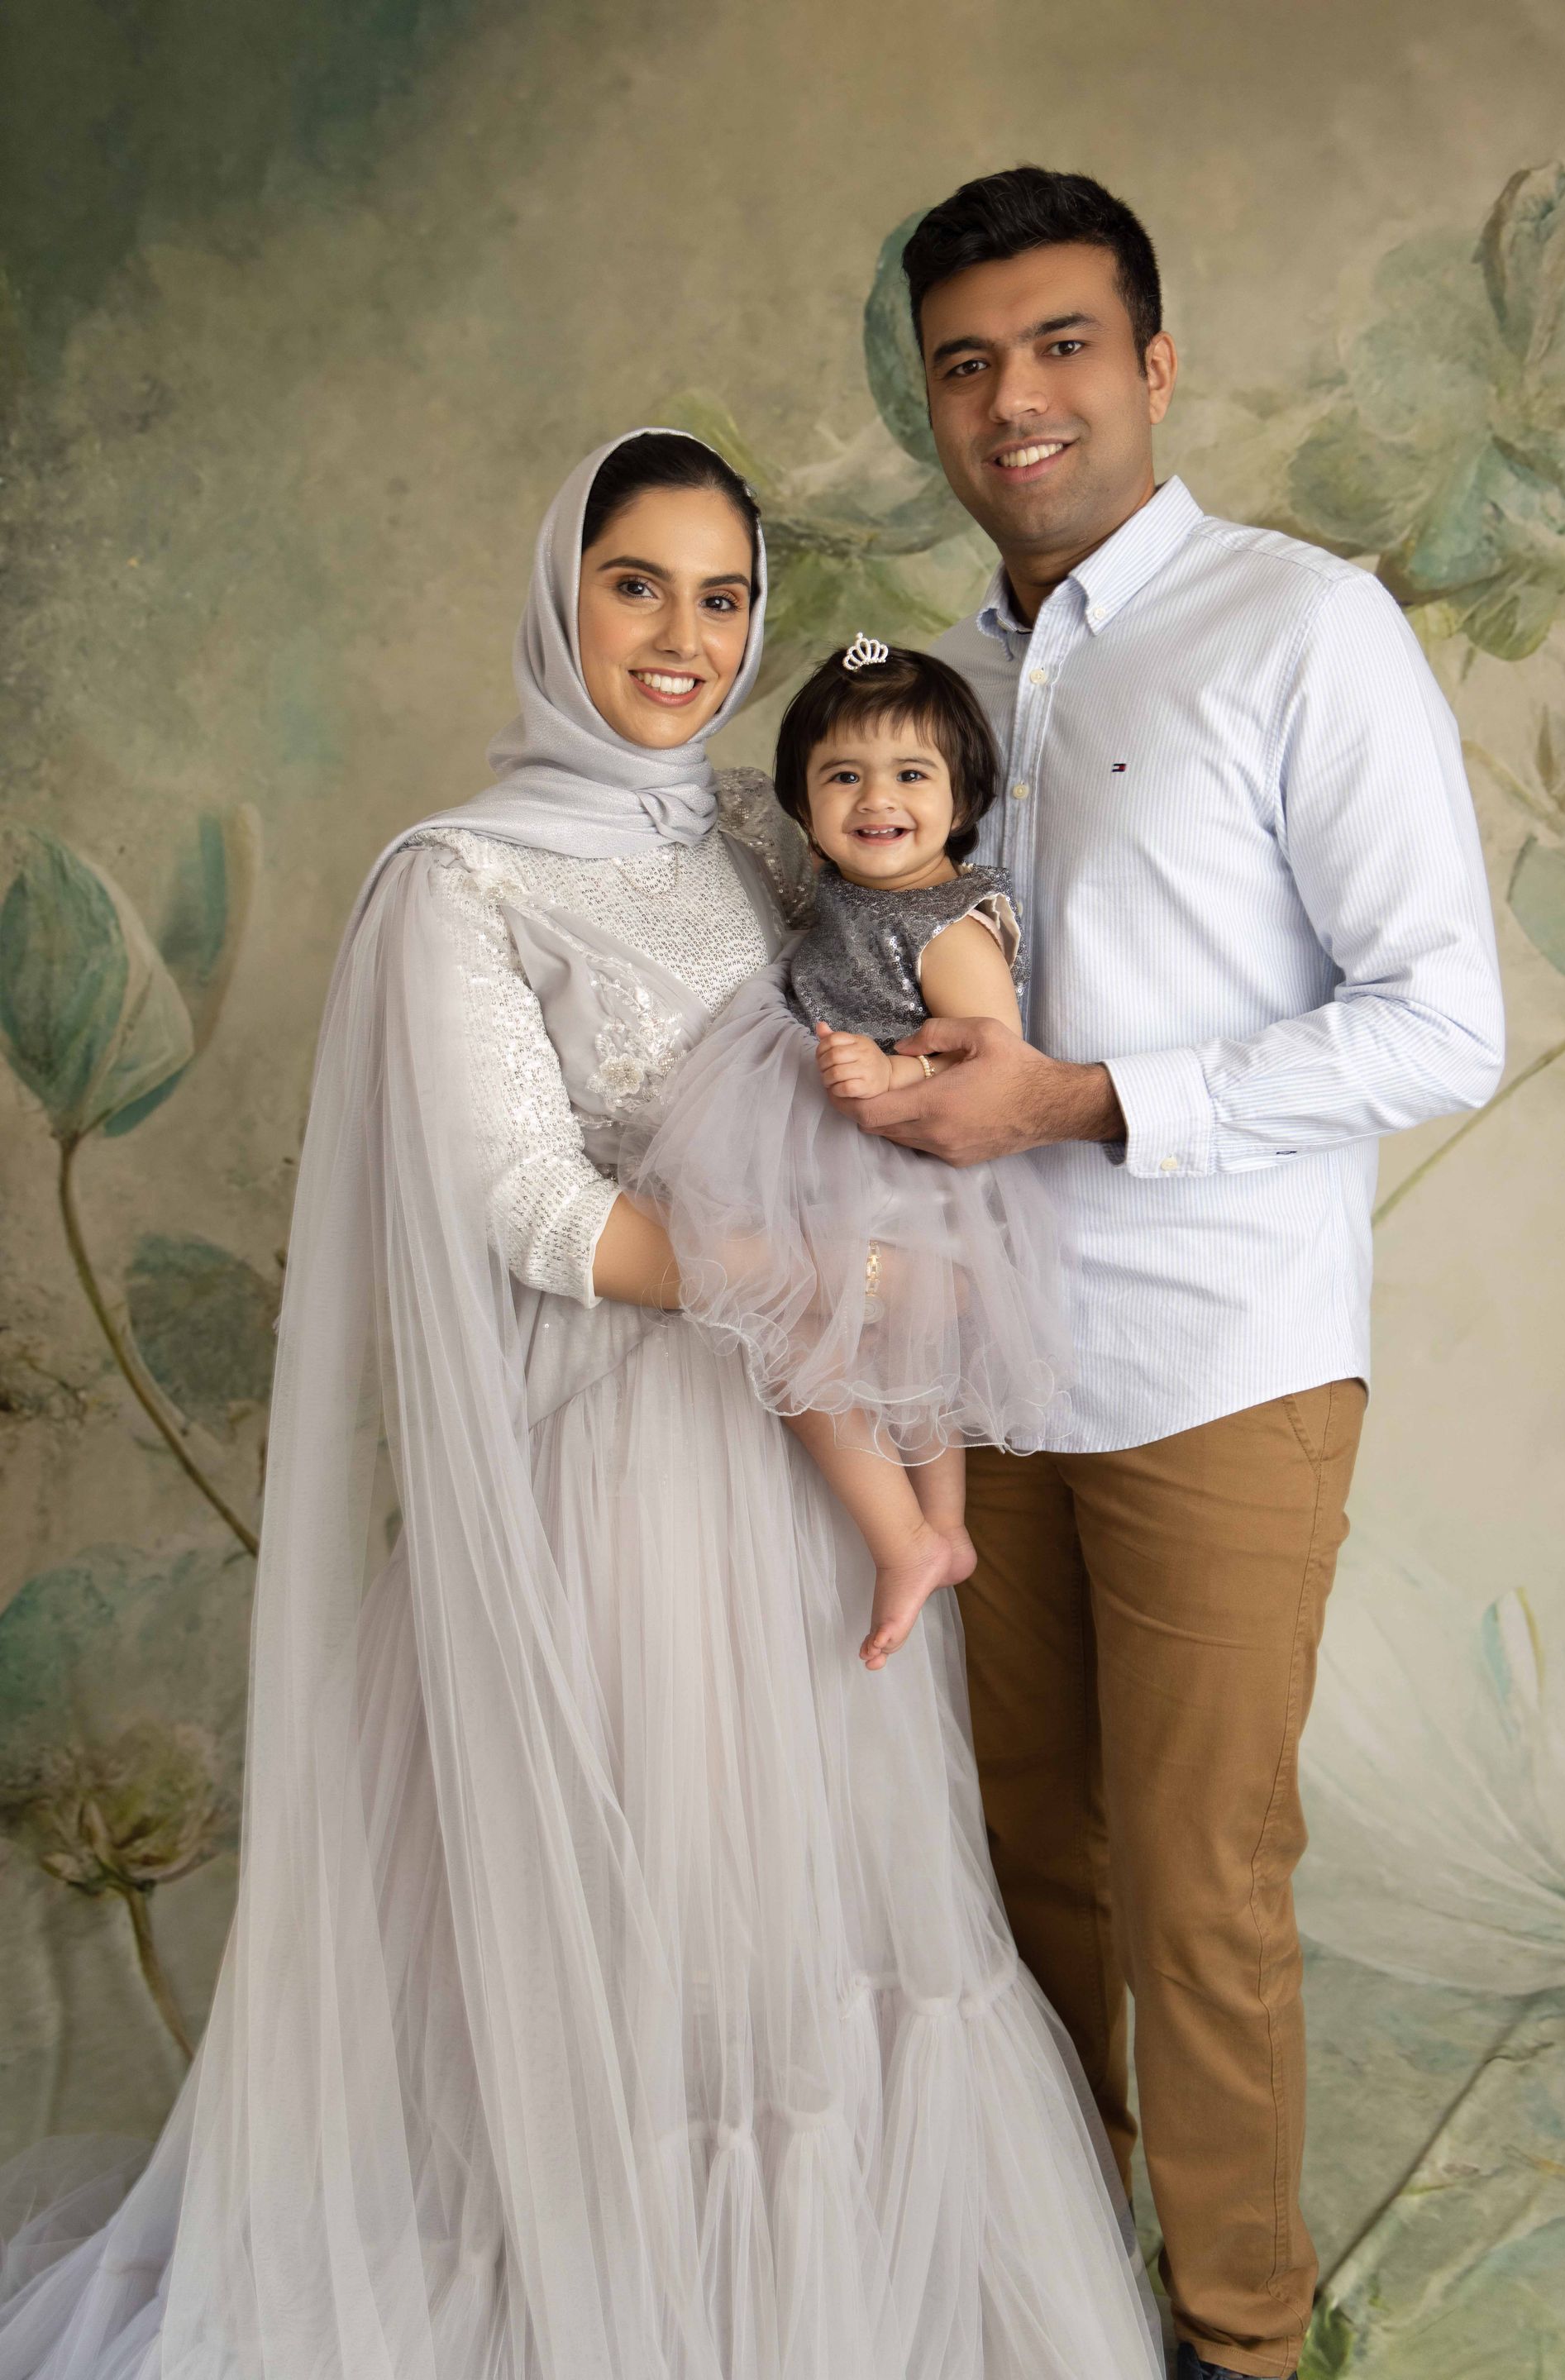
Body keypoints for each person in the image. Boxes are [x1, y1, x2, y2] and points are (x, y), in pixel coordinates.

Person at [0, 429, 1164, 2380]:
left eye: (724, 598)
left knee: (832, 1948)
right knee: (642, 1975)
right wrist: (838, 1277)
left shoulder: (757, 827)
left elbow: (897, 982)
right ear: (561, 589)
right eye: (640, 583)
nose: (683, 637)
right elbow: (531, 1212)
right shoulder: (454, 883)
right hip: (619, 1491)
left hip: (808, 1478)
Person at [840, 169, 1506, 2380]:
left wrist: (1092, 1099)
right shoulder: (959, 686)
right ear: (933, 400)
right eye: (965, 360)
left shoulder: (1301, 627)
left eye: (1056, 346)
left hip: (1221, 1363)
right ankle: (1047, 2300)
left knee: (1204, 1884)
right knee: (1026, 1871)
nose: (1013, 398)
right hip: (992, 1381)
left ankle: (1237, 2333)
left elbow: (1443, 1019)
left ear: (1152, 363)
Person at [630, 635, 1074, 1673]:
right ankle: (946, 1527)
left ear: (962, 797)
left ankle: (907, 1536)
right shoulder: (853, 888)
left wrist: (897, 1079)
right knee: (894, 1358)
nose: (878, 799)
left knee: (799, 1340)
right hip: (850, 1148)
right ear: (806, 803)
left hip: (912, 1168)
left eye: (911, 774)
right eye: (843, 776)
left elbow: (993, 1065)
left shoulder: (949, 927)